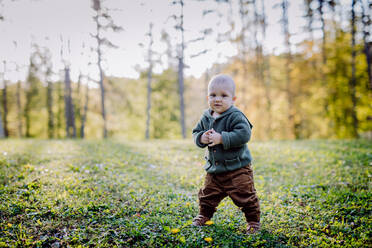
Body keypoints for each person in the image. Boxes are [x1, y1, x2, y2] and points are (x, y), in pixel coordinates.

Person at [191, 74, 260, 234]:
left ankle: (253, 221)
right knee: (207, 195)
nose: (218, 99)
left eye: (224, 95)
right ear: (208, 97)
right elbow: (196, 132)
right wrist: (202, 137)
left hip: (237, 169)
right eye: (213, 95)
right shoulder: (206, 116)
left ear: (233, 98)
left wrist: (222, 138)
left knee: (245, 196)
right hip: (214, 170)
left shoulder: (235, 115)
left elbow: (244, 134)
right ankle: (204, 215)